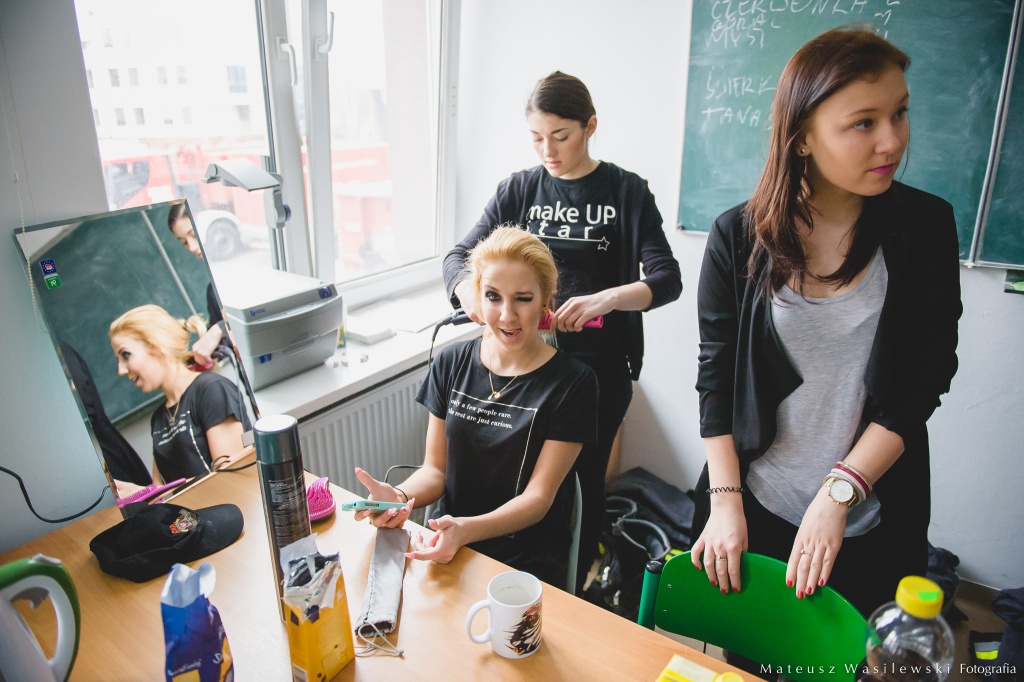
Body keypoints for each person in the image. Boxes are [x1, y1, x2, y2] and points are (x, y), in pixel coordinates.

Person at [691, 26, 962, 619]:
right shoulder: (736, 236)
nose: (892, 140)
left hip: (872, 507)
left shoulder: (925, 227)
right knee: (752, 651)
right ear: (803, 138)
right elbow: (716, 379)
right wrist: (725, 502)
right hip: (755, 501)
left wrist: (840, 491)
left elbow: (924, 379)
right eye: (863, 123)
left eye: (900, 113)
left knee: (853, 655)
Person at [442, 72, 682, 588]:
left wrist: (609, 298)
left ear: (590, 127)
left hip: (597, 369)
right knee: (524, 482)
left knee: (585, 482)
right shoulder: (519, 189)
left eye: (561, 136)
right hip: (525, 362)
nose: (548, 151)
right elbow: (458, 257)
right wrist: (469, 295)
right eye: (536, 138)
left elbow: (667, 279)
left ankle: (581, 576)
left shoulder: (626, 191)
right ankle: (513, 570)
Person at [355, 226, 598, 589]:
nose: (507, 315)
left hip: (525, 561)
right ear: (478, 298)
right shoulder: (451, 362)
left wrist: (466, 530)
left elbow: (538, 498)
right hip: (445, 541)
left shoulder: (573, 383)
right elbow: (435, 471)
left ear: (546, 300)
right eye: (493, 296)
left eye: (523, 298)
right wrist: (399, 497)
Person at [109, 304, 252, 486]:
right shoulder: (159, 419)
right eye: (118, 359)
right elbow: (161, 491)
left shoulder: (211, 390)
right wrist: (134, 493)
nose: (121, 370)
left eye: (125, 355)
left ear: (157, 345)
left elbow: (233, 479)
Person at [167, 201, 227, 367]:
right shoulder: (212, 291)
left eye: (193, 235)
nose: (192, 247)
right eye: (184, 242)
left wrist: (220, 329)